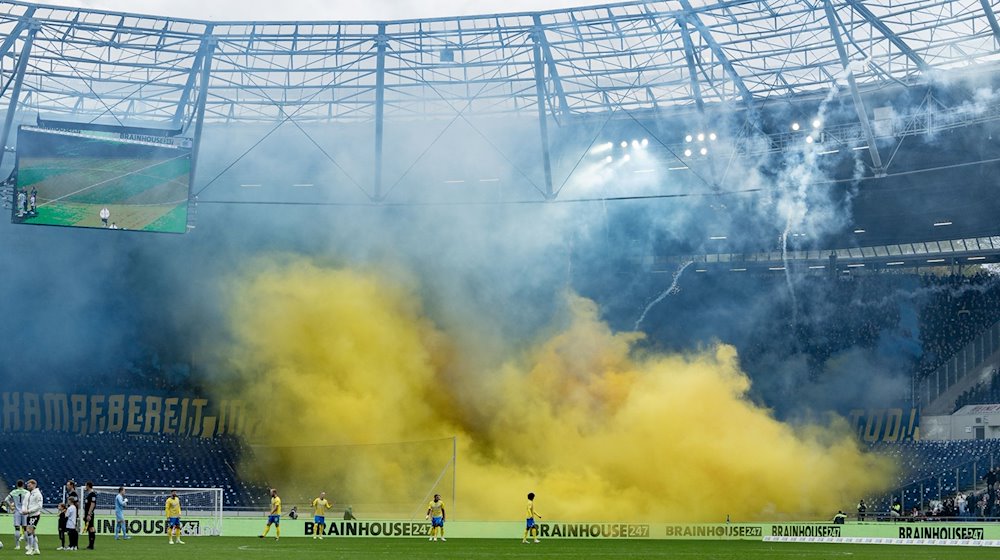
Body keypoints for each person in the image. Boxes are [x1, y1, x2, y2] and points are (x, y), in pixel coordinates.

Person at [5, 480, 28, 550]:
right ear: (23, 485)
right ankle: (27, 545)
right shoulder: (27, 492)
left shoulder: (14, 492)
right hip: (24, 511)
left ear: (17, 485)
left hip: (17, 512)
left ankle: (17, 545)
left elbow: (6, 499)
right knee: (25, 529)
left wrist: (11, 507)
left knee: (17, 529)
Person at [21, 479, 42, 556]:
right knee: (32, 532)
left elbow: (39, 506)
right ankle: (36, 549)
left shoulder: (38, 494)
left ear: (34, 485)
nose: (28, 486)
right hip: (29, 515)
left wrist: (29, 511)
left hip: (35, 515)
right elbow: (24, 503)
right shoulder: (27, 494)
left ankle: (30, 548)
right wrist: (24, 510)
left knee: (29, 531)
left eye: (29, 485)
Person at [83, 481, 98, 549]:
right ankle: (90, 544)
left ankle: (92, 545)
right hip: (87, 513)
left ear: (88, 486)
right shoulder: (89, 494)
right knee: (89, 528)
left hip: (90, 514)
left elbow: (92, 504)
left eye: (86, 485)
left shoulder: (93, 494)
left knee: (91, 528)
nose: (85, 487)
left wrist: (89, 514)